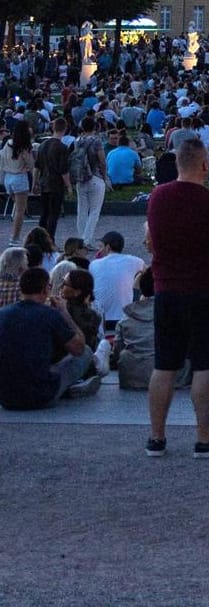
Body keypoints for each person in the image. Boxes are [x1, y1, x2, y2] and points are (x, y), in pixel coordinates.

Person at [145, 138, 209, 459]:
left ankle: (156, 437)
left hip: (166, 290)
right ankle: (205, 437)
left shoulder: (158, 198)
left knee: (164, 365)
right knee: (205, 365)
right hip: (204, 289)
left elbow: (149, 240)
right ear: (203, 165)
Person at [0, 267, 93, 409]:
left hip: (5, 397)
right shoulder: (50, 315)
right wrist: (64, 312)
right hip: (41, 395)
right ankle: (74, 386)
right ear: (45, 290)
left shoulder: (3, 314)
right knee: (86, 352)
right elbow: (78, 349)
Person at [89, 230, 145, 331]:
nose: (99, 250)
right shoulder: (136, 261)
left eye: (101, 247)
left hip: (101, 319)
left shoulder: (94, 264)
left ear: (108, 247)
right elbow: (146, 272)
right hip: (124, 317)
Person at [35, 118, 71, 240]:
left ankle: (39, 239)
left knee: (44, 214)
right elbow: (63, 170)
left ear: (53, 128)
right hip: (56, 185)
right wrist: (69, 186)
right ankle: (50, 241)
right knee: (53, 215)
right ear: (65, 129)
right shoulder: (62, 147)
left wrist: (35, 183)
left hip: (43, 182)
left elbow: (37, 167)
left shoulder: (42, 145)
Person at [1, 120, 33, 245]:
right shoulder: (24, 146)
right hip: (19, 177)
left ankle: (14, 235)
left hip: (8, 177)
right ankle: (15, 237)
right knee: (20, 210)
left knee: (16, 208)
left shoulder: (7, 143)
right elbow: (31, 164)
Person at [72, 132, 109, 242]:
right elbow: (102, 161)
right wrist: (105, 177)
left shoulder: (77, 140)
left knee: (82, 210)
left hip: (81, 177)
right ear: (95, 127)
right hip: (95, 176)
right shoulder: (96, 141)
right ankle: (86, 240)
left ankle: (80, 238)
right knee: (94, 211)